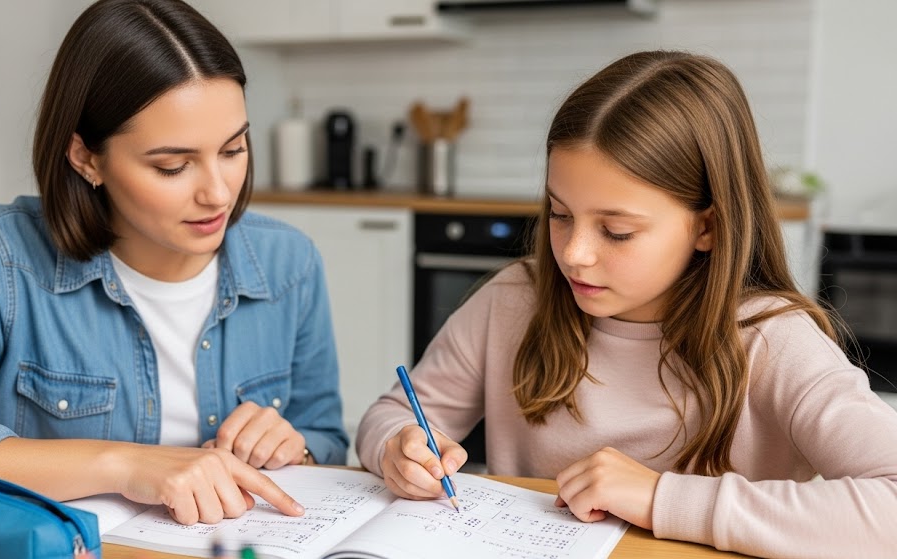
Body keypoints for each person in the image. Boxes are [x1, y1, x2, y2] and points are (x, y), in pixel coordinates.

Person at [357, 50, 897, 557]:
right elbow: (395, 414)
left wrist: (664, 499)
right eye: (561, 214)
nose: (574, 254)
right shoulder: (512, 301)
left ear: (706, 226)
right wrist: (395, 449)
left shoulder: (773, 341)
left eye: (616, 231)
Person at [0, 0, 348, 525]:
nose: (219, 194)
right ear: (86, 157)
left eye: (234, 149)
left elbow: (325, 440)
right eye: (173, 166)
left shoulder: (290, 263)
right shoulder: (0, 257)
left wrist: (294, 450)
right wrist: (122, 464)